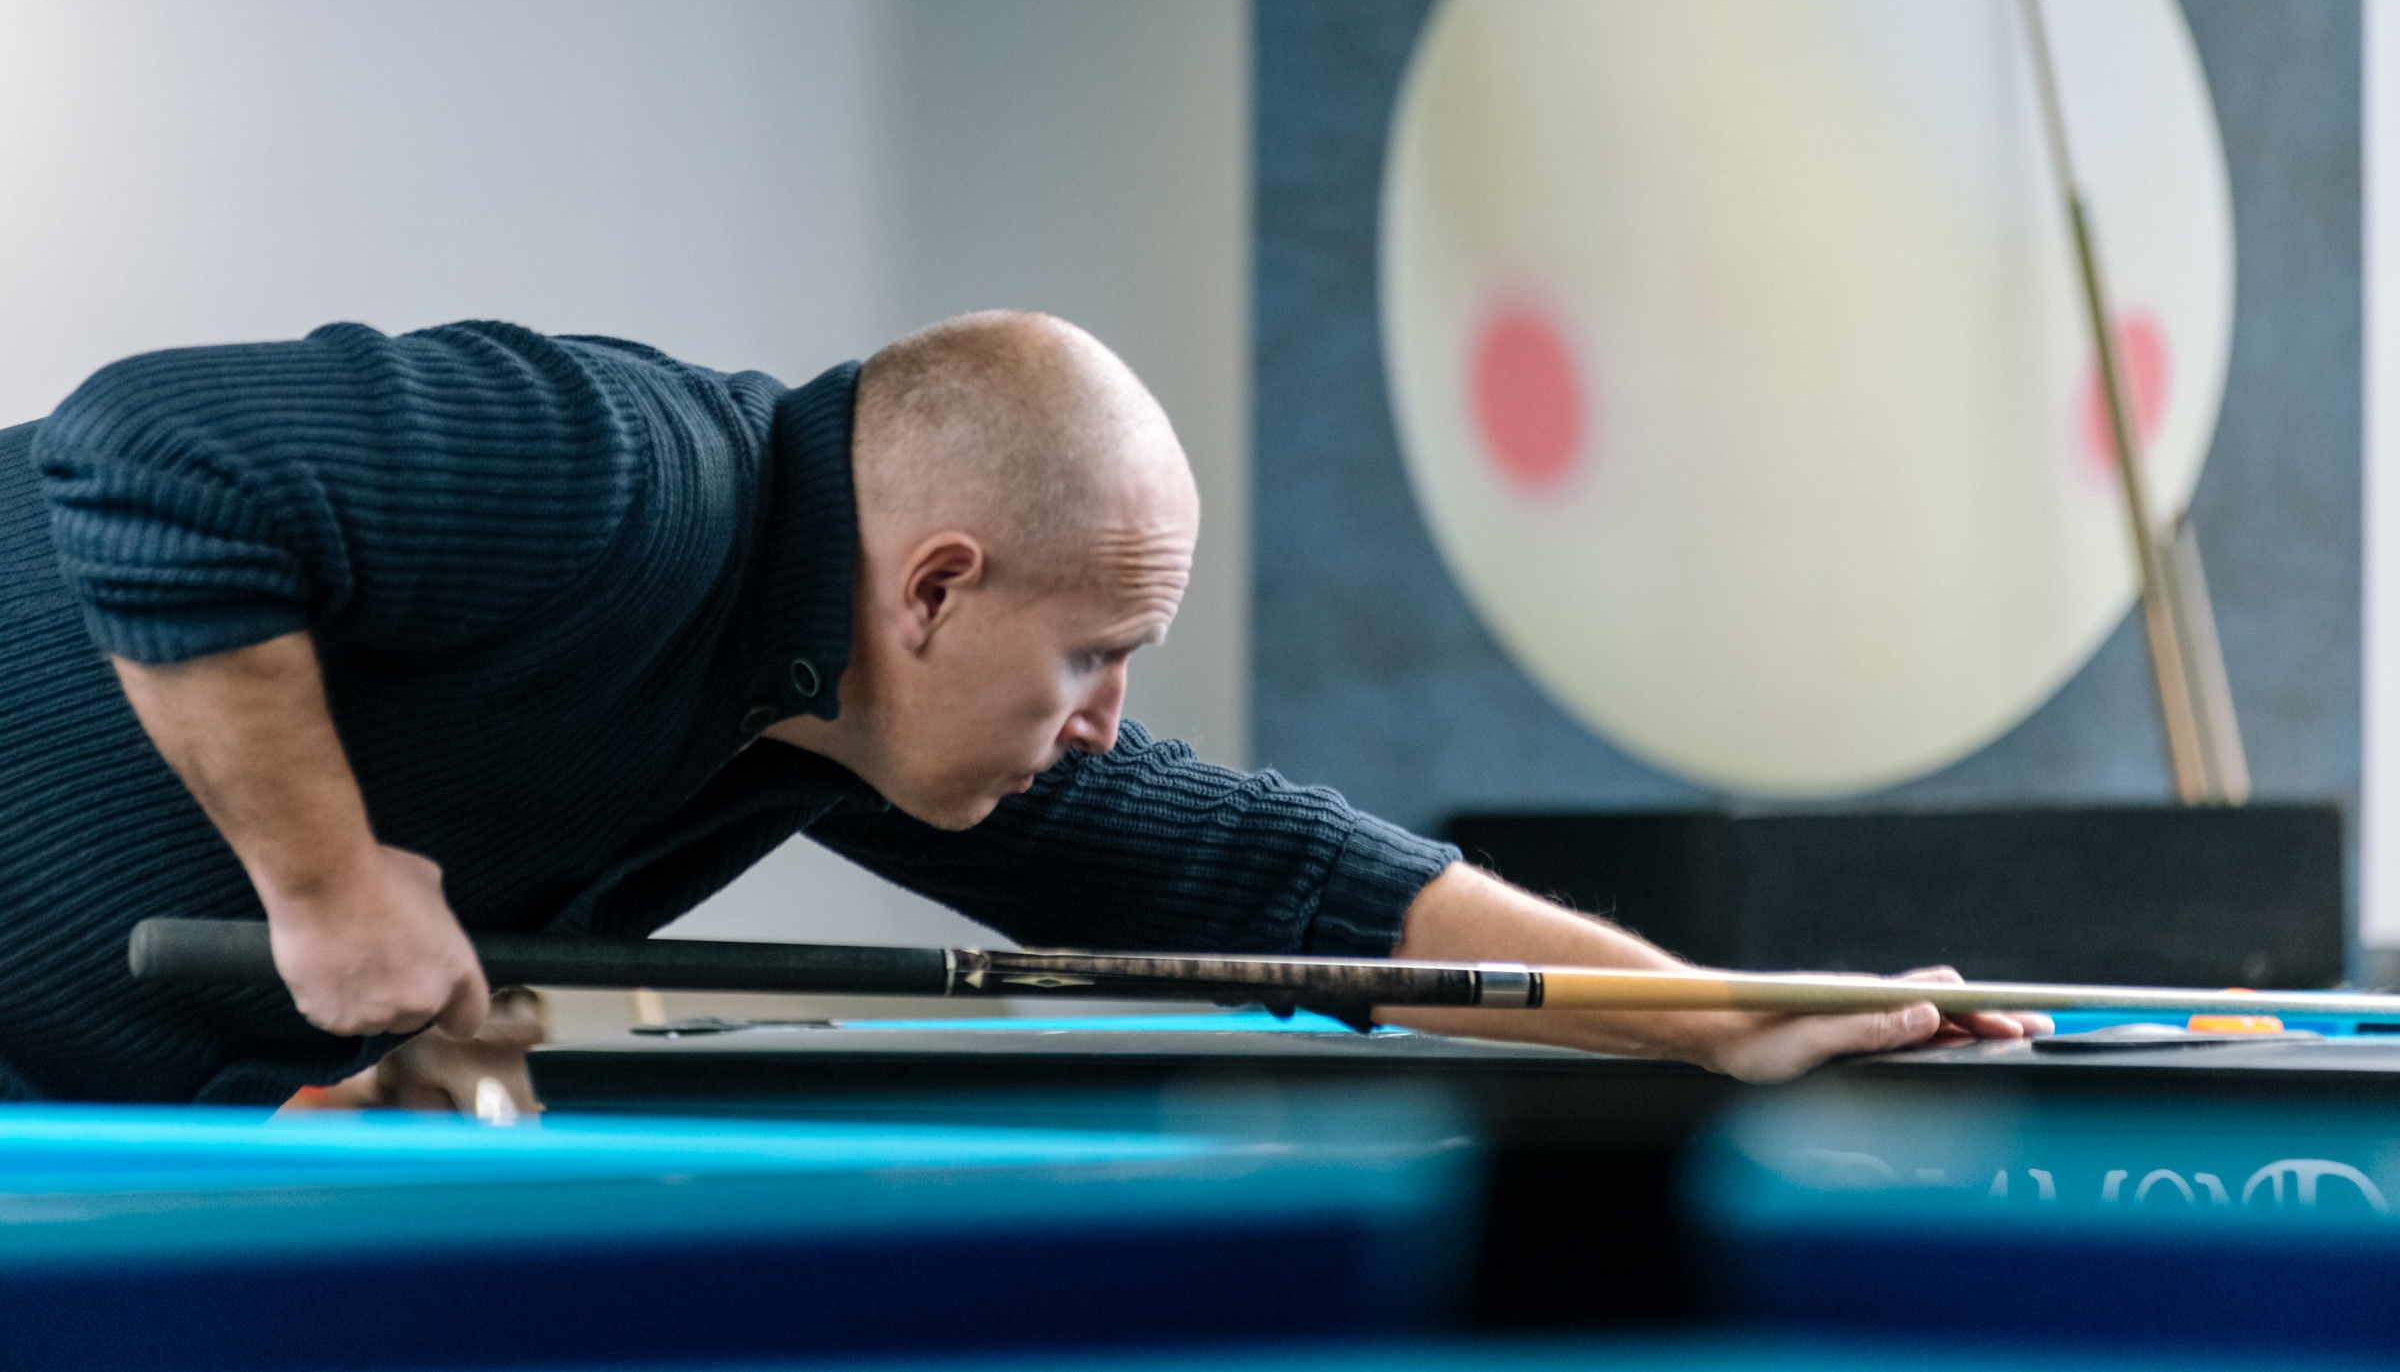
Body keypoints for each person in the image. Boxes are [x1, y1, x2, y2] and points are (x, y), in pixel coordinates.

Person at [4, 312, 2043, 1109]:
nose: (1107, 719)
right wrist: (327, 882)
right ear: (935, 584)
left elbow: (1278, 880)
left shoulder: (829, 720)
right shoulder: (635, 474)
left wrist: (1708, 1015)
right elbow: (150, 455)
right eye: (1094, 654)